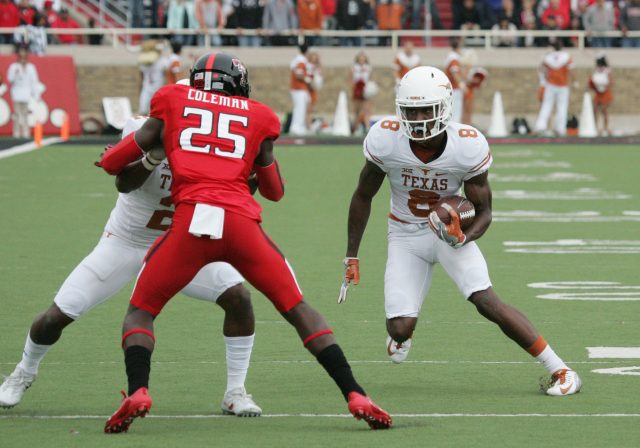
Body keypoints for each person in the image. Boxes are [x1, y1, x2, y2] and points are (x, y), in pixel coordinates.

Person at [97, 52, 392, 433]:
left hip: (190, 223)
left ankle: (138, 390)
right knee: (297, 308)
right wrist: (256, 158)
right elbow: (274, 191)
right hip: (240, 224)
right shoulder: (259, 115)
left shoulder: (171, 99)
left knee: (141, 312)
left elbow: (115, 162)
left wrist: (110, 159)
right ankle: (354, 393)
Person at [339, 65, 582, 398]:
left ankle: (560, 369)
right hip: (405, 236)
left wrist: (462, 236)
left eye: (427, 109)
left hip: (449, 236)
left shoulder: (466, 145)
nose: (419, 117)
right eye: (412, 110)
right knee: (398, 329)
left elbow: (484, 212)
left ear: (445, 107)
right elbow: (363, 195)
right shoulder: (386, 138)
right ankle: (404, 331)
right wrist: (352, 254)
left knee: (485, 299)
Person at [0, 112, 262, 417]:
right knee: (57, 316)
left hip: (180, 245)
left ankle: (235, 392)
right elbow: (123, 182)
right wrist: (155, 155)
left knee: (238, 297)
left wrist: (248, 177)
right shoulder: (145, 128)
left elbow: (237, 196)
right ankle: (23, 371)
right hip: (125, 242)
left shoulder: (217, 142)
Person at [534, 40, 573, 136]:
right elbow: (571, 70)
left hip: (550, 84)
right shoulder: (566, 56)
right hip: (563, 85)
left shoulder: (548, 56)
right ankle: (560, 129)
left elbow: (541, 68)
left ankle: (540, 126)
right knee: (562, 107)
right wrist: (574, 81)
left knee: (546, 106)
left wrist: (546, 77)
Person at [7, 44, 39, 139]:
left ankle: (26, 133)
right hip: (16, 93)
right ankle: (16, 133)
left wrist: (35, 95)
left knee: (25, 114)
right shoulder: (14, 67)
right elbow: (10, 79)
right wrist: (16, 72)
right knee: (17, 114)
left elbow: (34, 81)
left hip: (26, 94)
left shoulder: (31, 67)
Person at [138, 40, 167, 115]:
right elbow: (142, 77)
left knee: (157, 111)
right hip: (147, 88)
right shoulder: (143, 62)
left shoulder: (162, 61)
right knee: (143, 110)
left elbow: (166, 76)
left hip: (158, 89)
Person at [289, 44, 311, 135]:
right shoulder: (301, 60)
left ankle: (299, 126)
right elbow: (299, 74)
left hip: (298, 88)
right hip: (299, 88)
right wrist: (307, 79)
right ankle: (296, 127)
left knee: (300, 108)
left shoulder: (297, 59)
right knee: (300, 108)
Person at [589, 55, 612, 136]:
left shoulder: (607, 70)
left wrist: (604, 86)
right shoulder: (596, 70)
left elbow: (611, 82)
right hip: (598, 92)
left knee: (604, 110)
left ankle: (605, 128)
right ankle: (595, 127)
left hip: (605, 92)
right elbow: (591, 81)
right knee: (595, 110)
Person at [351, 50, 373, 135]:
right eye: (360, 58)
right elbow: (350, 80)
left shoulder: (369, 68)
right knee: (357, 110)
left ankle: (368, 128)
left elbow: (370, 79)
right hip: (357, 90)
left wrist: (369, 89)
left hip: (365, 90)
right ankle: (355, 128)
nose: (361, 60)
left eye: (363, 58)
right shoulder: (354, 67)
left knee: (367, 110)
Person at [444, 38, 465, 123]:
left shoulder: (451, 57)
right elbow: (455, 73)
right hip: (454, 88)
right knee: (455, 111)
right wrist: (461, 84)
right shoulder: (454, 58)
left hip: (451, 88)